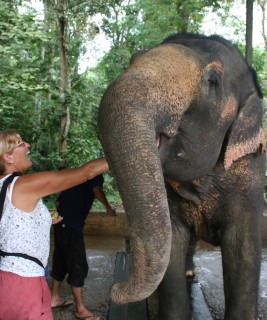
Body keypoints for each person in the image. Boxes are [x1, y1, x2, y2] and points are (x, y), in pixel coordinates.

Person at [0, 129, 109, 320]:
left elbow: (12, 220)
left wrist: (46, 216)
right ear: (8, 157)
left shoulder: (4, 186)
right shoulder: (22, 185)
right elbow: (87, 173)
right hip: (25, 281)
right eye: (20, 144)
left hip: (6, 278)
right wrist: (130, 149)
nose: (27, 145)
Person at [50, 173, 116, 320]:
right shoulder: (95, 176)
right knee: (78, 265)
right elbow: (97, 191)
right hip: (71, 226)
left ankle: (54, 298)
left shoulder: (76, 178)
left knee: (60, 259)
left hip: (60, 224)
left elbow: (58, 203)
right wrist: (108, 208)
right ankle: (80, 309)